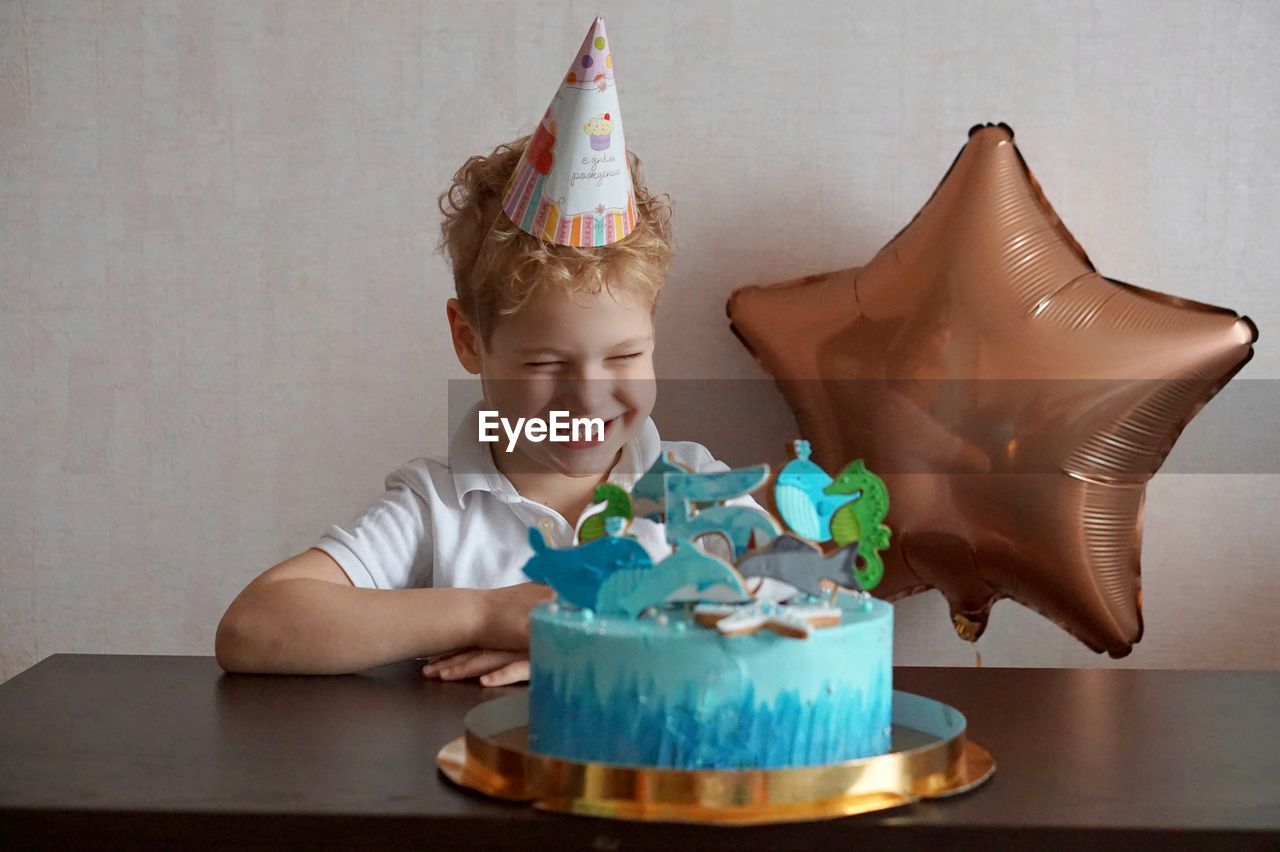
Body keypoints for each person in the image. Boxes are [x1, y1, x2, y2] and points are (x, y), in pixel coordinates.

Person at [216, 19, 752, 686]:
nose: (588, 396)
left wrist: (592, 634)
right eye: (546, 364)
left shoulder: (694, 497)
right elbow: (252, 629)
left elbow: (809, 616)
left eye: (622, 357)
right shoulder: (435, 510)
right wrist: (486, 614)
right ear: (470, 342)